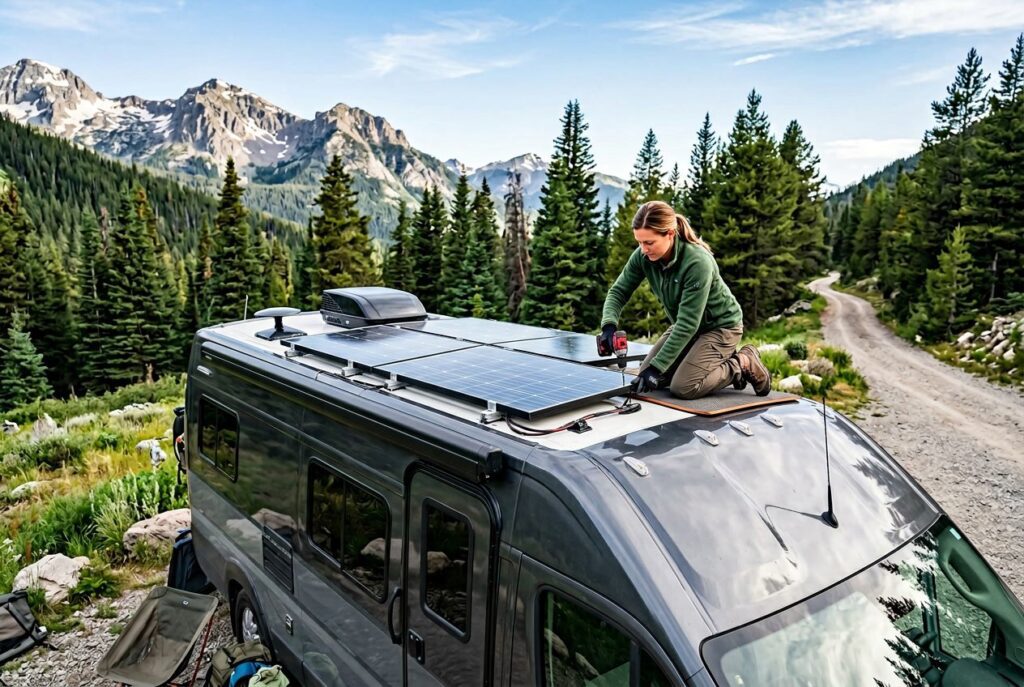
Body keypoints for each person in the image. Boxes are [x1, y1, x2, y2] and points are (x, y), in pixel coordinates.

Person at [600, 200, 771, 399]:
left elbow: (688, 324)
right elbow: (618, 292)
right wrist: (608, 326)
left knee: (684, 387)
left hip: (720, 328)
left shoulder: (697, 262)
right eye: (639, 242)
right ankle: (706, 363)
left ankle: (741, 363)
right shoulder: (643, 256)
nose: (643, 249)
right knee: (648, 378)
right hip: (685, 326)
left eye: (649, 242)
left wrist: (657, 367)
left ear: (670, 234)